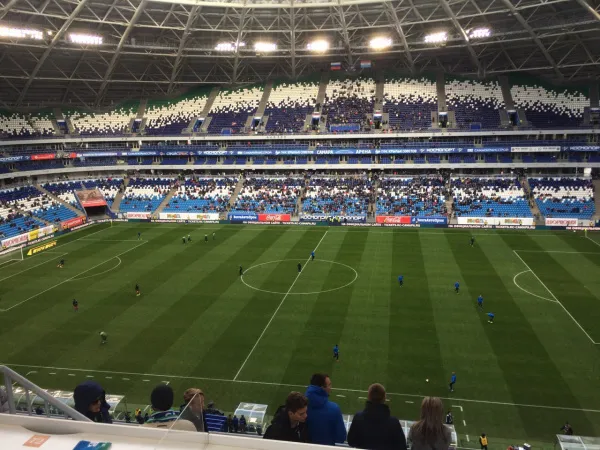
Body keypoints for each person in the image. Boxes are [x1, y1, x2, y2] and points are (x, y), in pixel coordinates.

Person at [348, 383, 407, 450]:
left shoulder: (358, 418)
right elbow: (402, 447)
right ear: (384, 398)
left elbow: (351, 441)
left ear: (369, 397)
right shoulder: (394, 423)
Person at [305, 373, 347, 446]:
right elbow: (341, 438)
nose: (331, 387)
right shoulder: (334, 409)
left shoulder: (301, 406)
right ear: (322, 388)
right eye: (329, 385)